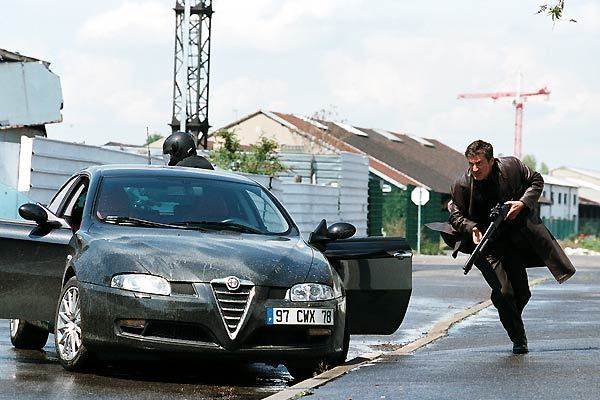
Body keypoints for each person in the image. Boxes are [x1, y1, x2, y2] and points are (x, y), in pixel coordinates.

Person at [446, 140, 576, 354]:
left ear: (492, 161)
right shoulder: (462, 184)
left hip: (512, 242)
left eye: (479, 163)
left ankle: (504, 308)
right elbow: (455, 215)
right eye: (471, 164)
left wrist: (523, 203)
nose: (474, 169)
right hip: (484, 246)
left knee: (522, 293)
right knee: (505, 292)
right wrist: (471, 228)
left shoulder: (512, 167)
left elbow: (536, 180)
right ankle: (519, 339)